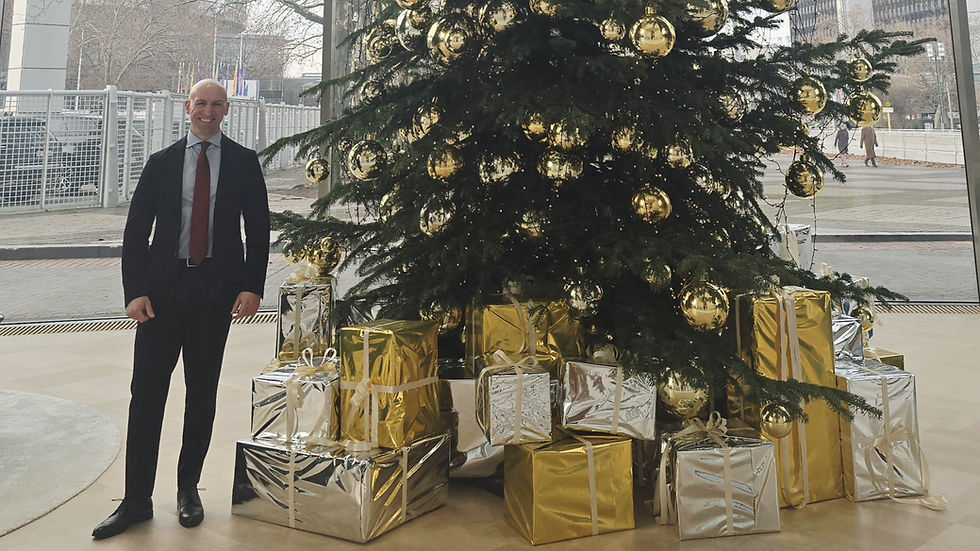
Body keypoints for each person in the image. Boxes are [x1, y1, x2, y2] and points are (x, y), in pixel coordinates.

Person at [92, 79, 270, 540]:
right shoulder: (161, 163)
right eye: (200, 104)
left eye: (216, 104)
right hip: (162, 294)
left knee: (202, 394)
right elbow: (136, 234)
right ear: (187, 107)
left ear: (226, 110)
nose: (207, 112)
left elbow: (259, 228)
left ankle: (188, 490)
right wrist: (134, 292)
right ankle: (135, 501)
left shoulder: (244, 164)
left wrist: (253, 287)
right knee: (146, 395)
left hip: (216, 293)